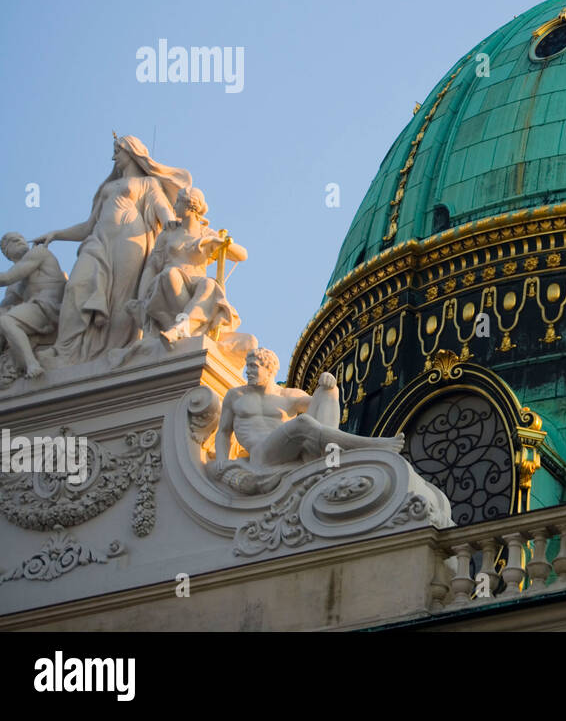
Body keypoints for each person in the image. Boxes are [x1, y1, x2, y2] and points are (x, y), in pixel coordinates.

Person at [34, 135, 190, 365]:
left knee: (122, 296)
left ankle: (116, 350)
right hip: (98, 241)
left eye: (118, 150)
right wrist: (56, 234)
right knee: (76, 286)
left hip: (130, 241)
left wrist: (171, 223)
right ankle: (64, 349)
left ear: (132, 151)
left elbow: (163, 211)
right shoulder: (107, 187)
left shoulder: (149, 183)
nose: (114, 156)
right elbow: (88, 226)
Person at [210, 348, 401, 493]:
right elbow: (224, 432)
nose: (247, 371)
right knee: (303, 424)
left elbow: (321, 402)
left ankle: (328, 456)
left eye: (253, 366)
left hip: (287, 449)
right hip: (262, 455)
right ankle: (371, 445)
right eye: (247, 366)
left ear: (269, 370)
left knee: (329, 391)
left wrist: (328, 382)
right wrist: (221, 460)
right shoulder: (236, 396)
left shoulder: (289, 396)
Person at [129, 186, 246, 343]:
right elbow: (152, 266)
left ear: (190, 206)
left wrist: (218, 241)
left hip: (196, 287)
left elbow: (242, 255)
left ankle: (182, 327)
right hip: (169, 286)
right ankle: (186, 324)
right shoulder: (169, 233)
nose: (174, 206)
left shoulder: (206, 234)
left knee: (209, 283)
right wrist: (141, 298)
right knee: (170, 273)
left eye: (178, 202)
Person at [0, 233, 67, 380]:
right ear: (7, 253)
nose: (19, 240)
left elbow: (6, 278)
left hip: (48, 306)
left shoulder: (38, 253)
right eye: (11, 241)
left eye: (21, 238)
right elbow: (4, 308)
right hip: (30, 311)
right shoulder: (13, 286)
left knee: (7, 321)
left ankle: (31, 364)